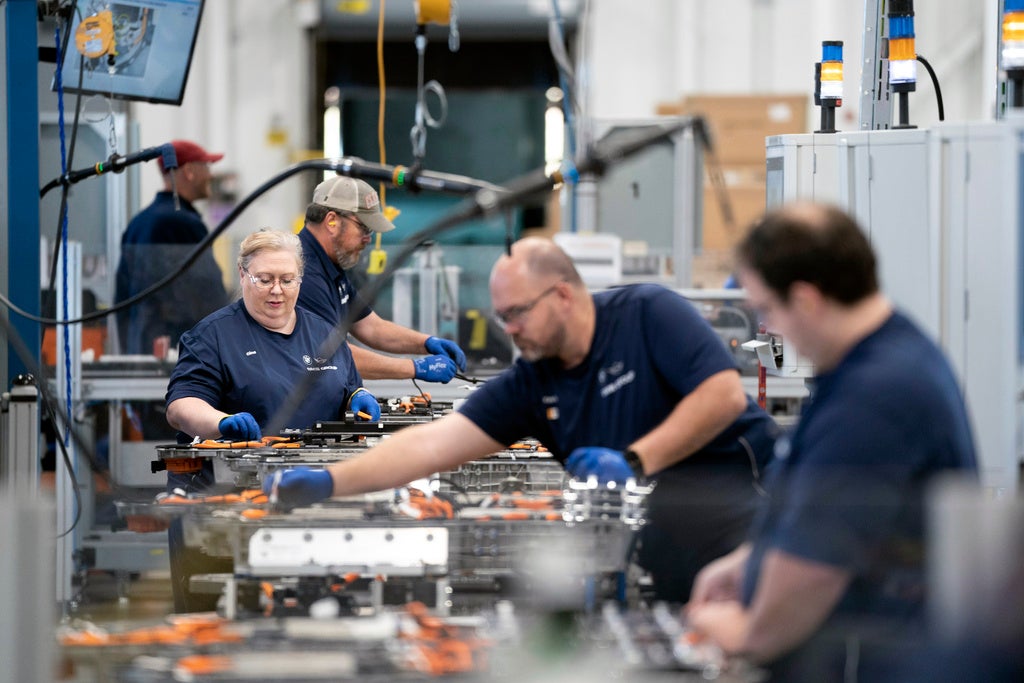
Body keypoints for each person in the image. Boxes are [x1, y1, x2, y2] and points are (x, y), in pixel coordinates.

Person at [266, 236, 778, 603]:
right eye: (502, 317)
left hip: (752, 524)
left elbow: (722, 396)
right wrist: (330, 481)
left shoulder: (647, 313)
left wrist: (636, 459)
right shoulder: (533, 383)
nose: (510, 331)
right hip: (666, 547)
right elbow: (430, 446)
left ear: (561, 294)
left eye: (518, 313)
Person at [685, 203, 978, 681]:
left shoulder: (876, 396)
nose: (770, 329)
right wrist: (749, 560)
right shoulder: (870, 363)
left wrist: (746, 632)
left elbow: (816, 568)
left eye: (766, 310)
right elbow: (816, 506)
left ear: (805, 300)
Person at [163, 228, 378, 612]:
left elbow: (347, 389)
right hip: (224, 510)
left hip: (306, 503)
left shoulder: (324, 334)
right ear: (243, 276)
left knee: (304, 618)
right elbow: (181, 406)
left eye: (286, 280)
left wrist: (358, 398)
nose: (276, 291)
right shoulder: (214, 335)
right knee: (220, 627)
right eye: (264, 280)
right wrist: (221, 422)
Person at [297, 176, 467, 384]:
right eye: (364, 228)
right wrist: (415, 367)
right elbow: (330, 357)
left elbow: (371, 328)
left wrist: (427, 343)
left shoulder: (330, 264)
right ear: (332, 221)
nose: (368, 239)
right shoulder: (303, 274)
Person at [114, 139, 230, 441]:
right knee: (186, 462)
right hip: (181, 365)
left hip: (142, 357)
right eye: (207, 167)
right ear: (189, 171)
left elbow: (122, 296)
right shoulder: (181, 223)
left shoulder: (140, 222)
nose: (210, 175)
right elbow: (208, 300)